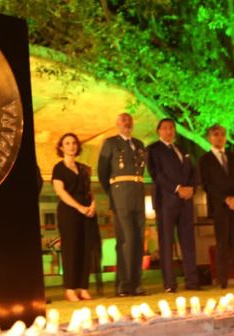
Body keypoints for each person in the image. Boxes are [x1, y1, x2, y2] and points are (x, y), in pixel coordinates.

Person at [146, 118, 200, 292]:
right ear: (159, 131)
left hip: (186, 201)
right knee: (167, 242)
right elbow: (157, 174)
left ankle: (192, 281)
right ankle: (170, 283)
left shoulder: (183, 149)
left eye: (171, 128)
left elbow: (193, 171)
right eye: (165, 128)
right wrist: (177, 189)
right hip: (166, 200)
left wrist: (191, 188)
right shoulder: (153, 149)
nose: (169, 131)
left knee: (188, 242)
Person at [97, 113, 147, 297]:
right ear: (117, 124)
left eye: (129, 120)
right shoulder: (110, 143)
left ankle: (136, 282)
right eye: (123, 120)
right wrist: (113, 192)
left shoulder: (139, 144)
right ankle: (124, 284)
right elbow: (102, 171)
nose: (127, 123)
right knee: (127, 239)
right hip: (120, 194)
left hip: (138, 193)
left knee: (139, 238)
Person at [199, 124, 234, 289]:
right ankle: (222, 281)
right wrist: (225, 199)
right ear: (209, 138)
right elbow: (207, 185)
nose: (219, 137)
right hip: (220, 206)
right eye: (215, 134)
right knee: (222, 243)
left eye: (222, 134)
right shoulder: (205, 159)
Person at [51, 133, 100, 302]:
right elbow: (60, 191)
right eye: (67, 143)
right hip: (69, 212)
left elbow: (89, 190)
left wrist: (92, 205)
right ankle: (70, 288)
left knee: (86, 248)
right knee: (71, 249)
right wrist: (79, 207)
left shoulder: (84, 168)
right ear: (61, 148)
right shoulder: (58, 168)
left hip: (87, 211)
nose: (71, 146)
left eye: (74, 143)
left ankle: (83, 287)